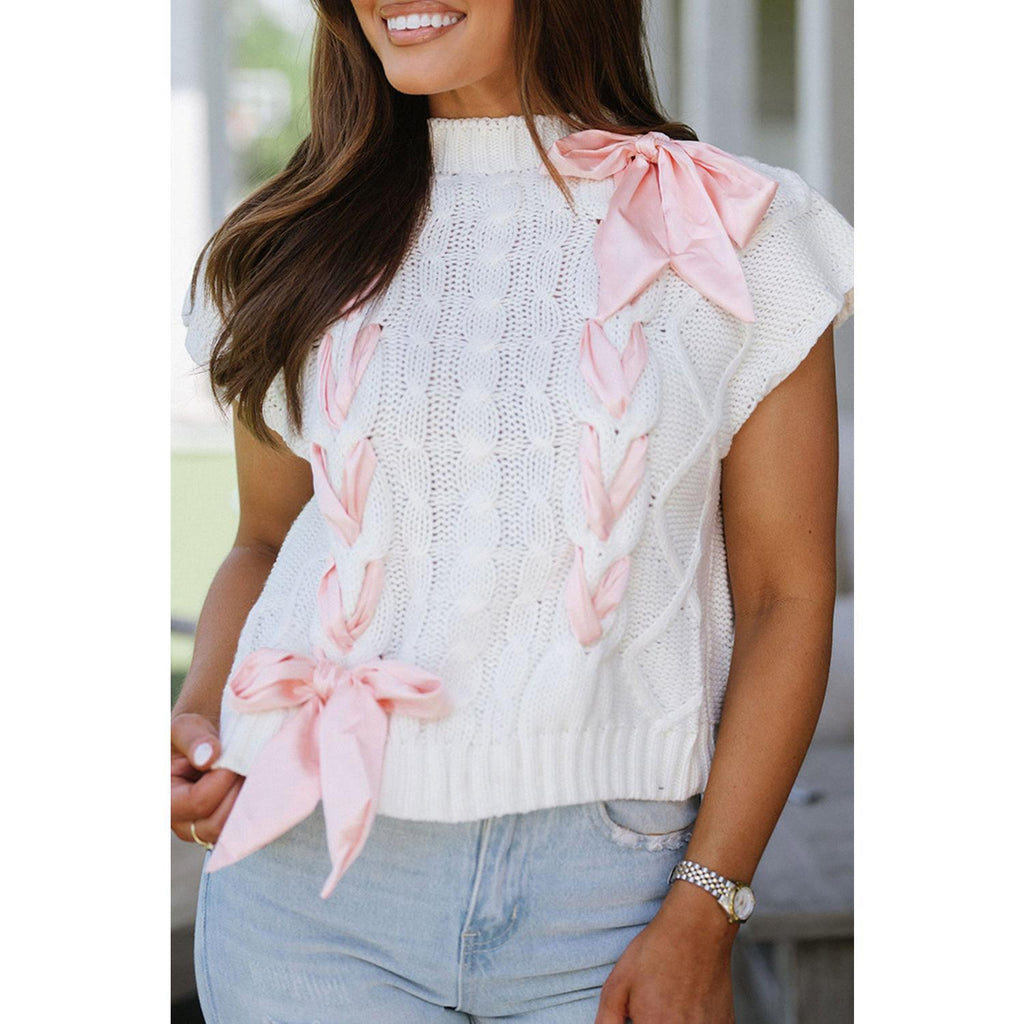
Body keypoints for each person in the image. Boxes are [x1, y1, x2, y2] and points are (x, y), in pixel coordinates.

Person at [170, 1, 854, 1021]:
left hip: (611, 904)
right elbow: (266, 541)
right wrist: (198, 714)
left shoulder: (740, 229)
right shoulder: (291, 241)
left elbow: (783, 598)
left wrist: (706, 906)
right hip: (304, 897)